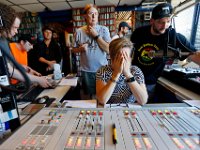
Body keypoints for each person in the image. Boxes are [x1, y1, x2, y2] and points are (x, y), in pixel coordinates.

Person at [130, 3, 200, 101]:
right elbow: (129, 51)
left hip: (151, 82)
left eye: (167, 21)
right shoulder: (139, 33)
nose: (164, 26)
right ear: (152, 21)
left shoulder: (173, 37)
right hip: (133, 78)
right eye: (160, 22)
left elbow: (195, 55)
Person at [0, 2, 50, 88]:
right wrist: (36, 79)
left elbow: (8, 65)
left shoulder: (3, 41)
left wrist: (26, 69)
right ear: (3, 24)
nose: (16, 31)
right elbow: (10, 70)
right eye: (15, 27)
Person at [73, 4, 111, 98]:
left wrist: (96, 35)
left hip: (102, 70)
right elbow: (73, 50)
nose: (94, 16)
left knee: (103, 96)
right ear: (85, 16)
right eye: (91, 13)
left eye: (96, 14)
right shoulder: (78, 32)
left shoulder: (104, 29)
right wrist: (80, 49)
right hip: (86, 71)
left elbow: (108, 49)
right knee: (89, 98)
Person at [96, 38, 148, 106]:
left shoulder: (135, 71)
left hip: (130, 110)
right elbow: (102, 100)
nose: (123, 60)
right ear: (112, 57)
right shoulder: (103, 71)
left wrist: (128, 74)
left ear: (130, 58)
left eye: (126, 56)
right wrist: (116, 74)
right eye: (119, 57)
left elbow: (143, 100)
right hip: (109, 109)